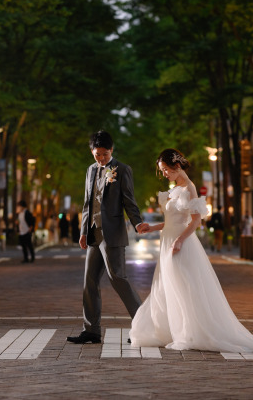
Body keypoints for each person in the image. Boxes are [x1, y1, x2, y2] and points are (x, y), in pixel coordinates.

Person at [130, 148, 253, 354]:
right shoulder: (175, 189)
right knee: (168, 285)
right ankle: (172, 329)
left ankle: (190, 331)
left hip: (181, 244)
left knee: (184, 287)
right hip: (169, 240)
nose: (164, 174)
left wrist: (179, 240)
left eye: (166, 169)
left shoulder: (189, 188)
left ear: (176, 166)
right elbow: (172, 221)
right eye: (162, 171)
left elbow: (195, 221)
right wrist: (151, 227)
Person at [66, 130, 147, 345]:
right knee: (89, 281)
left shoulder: (122, 169)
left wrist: (137, 222)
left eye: (105, 154)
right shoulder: (90, 170)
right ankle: (91, 330)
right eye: (97, 155)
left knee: (118, 278)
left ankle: (145, 325)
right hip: (94, 233)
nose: (101, 158)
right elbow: (87, 203)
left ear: (111, 150)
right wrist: (83, 232)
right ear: (92, 152)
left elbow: (129, 200)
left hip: (112, 233)